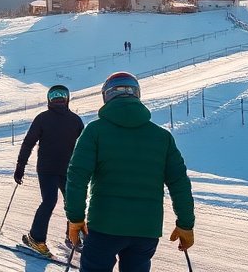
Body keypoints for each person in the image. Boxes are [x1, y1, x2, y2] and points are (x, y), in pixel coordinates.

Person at [65, 71, 195, 272]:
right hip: (146, 230)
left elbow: (77, 176)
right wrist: (185, 224)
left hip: (104, 226)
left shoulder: (95, 131)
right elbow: (179, 183)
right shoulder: (162, 137)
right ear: (137, 94)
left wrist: (75, 218)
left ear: (106, 96)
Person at [16, 84, 85, 258]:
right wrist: (20, 166)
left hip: (63, 169)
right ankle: (37, 238)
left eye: (61, 95)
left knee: (66, 202)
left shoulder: (72, 120)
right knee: (58, 202)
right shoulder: (50, 119)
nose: (59, 98)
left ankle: (71, 236)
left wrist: (20, 167)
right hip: (49, 169)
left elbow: (85, 148)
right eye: (56, 95)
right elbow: (29, 143)